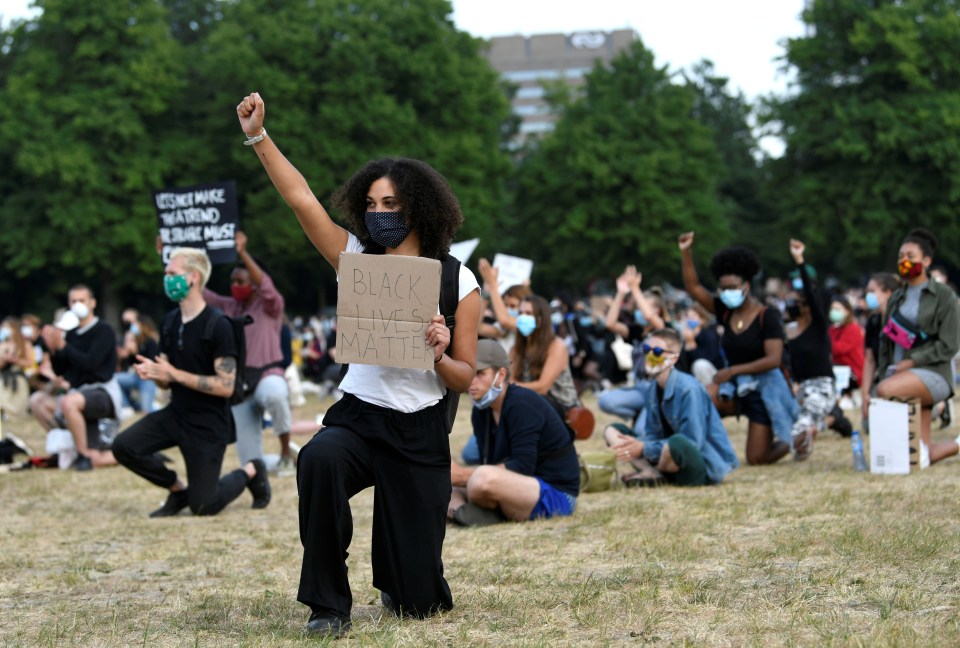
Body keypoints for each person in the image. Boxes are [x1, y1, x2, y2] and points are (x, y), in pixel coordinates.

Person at [237, 92, 480, 637]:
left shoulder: (457, 281)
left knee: (420, 604)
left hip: (419, 430)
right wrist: (258, 138)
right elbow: (301, 200)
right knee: (319, 459)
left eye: (391, 205)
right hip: (360, 417)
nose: (379, 214)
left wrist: (439, 354)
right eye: (371, 204)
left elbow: (467, 378)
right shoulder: (355, 259)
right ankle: (327, 604)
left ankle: (402, 579)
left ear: (418, 207)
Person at [111, 247, 272, 517]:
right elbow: (167, 379)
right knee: (124, 447)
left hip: (208, 423)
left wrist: (173, 374)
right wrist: (156, 375)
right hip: (177, 414)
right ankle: (177, 490)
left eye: (172, 273)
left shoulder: (218, 325)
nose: (166, 278)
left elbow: (225, 386)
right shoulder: (169, 322)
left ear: (193, 277)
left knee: (203, 506)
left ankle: (252, 469)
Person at [678, 232, 798, 465]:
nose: (727, 293)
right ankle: (701, 452)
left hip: (765, 387)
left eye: (732, 287)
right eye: (723, 288)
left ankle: (797, 438)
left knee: (757, 458)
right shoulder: (724, 311)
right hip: (735, 387)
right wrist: (686, 252)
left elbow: (773, 359)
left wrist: (733, 371)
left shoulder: (767, 316)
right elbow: (693, 287)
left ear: (746, 285)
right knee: (704, 397)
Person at [449, 340, 579, 526]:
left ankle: (467, 513)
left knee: (481, 479)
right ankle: (462, 514)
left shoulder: (522, 403)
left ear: (501, 375)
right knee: (443, 486)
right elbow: (492, 463)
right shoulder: (481, 410)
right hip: (516, 486)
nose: (472, 382)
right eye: (470, 373)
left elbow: (522, 466)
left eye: (480, 374)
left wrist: (462, 476)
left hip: (556, 493)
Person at [203, 231, 294, 474]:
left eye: (241, 281)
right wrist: (168, 258)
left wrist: (242, 253)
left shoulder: (270, 306)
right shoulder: (229, 307)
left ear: (253, 282)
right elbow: (200, 293)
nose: (235, 286)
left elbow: (266, 286)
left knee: (275, 394)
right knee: (250, 464)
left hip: (268, 374)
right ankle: (289, 460)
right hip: (241, 385)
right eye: (232, 281)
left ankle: (286, 451)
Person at [603, 328, 738, 485]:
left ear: (673, 359)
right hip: (666, 458)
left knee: (675, 443)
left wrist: (644, 448)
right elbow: (652, 433)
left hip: (699, 464)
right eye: (646, 349)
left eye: (658, 351)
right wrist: (639, 445)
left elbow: (693, 442)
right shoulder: (653, 388)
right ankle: (652, 473)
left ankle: (657, 475)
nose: (650, 355)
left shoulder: (689, 389)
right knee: (612, 430)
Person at [874, 228, 960, 465]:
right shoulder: (896, 298)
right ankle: (956, 445)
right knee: (918, 457)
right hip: (900, 374)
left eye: (910, 256)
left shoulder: (944, 296)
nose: (904, 261)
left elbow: (949, 344)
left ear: (927, 261)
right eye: (901, 255)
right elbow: (885, 343)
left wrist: (912, 362)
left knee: (886, 390)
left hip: (933, 374)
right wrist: (883, 372)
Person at [28, 285, 122, 470]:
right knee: (37, 401)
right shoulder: (70, 334)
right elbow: (62, 369)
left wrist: (63, 346)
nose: (78, 304)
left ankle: (84, 455)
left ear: (92, 303)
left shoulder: (104, 330)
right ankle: (69, 445)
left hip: (101, 392)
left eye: (82, 300)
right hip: (76, 393)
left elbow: (91, 363)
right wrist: (54, 349)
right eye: (73, 301)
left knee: (68, 403)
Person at [781, 239, 838, 460]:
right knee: (794, 429)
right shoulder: (790, 330)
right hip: (801, 388)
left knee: (799, 431)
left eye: (799, 301)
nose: (794, 304)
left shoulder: (818, 326)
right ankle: (829, 422)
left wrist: (799, 260)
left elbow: (813, 297)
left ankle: (823, 423)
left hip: (822, 386)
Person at [861, 273, 900, 430]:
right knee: (869, 426)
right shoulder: (873, 321)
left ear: (888, 292)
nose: (868, 295)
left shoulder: (900, 318)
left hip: (900, 376)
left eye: (872, 290)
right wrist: (865, 394)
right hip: (882, 378)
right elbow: (870, 360)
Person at [115, 314, 161, 414]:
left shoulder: (150, 342)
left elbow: (153, 360)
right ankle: (128, 406)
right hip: (136, 376)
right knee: (115, 379)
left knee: (147, 410)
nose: (133, 326)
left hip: (148, 378)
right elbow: (132, 363)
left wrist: (137, 352)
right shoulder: (135, 342)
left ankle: (157, 408)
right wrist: (129, 353)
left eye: (135, 324)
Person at [0, 317, 32, 419]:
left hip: (18, 379)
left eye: (7, 327)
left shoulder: (24, 344)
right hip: (4, 378)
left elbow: (30, 363)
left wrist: (16, 360)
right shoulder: (3, 344)